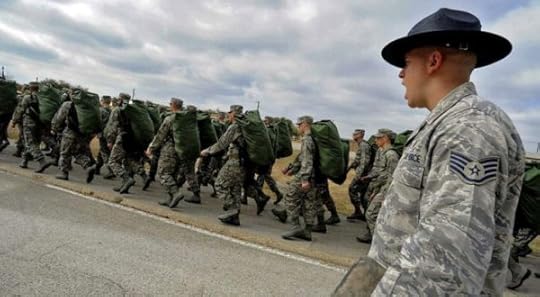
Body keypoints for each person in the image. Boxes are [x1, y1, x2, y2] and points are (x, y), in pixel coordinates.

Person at [333, 8, 524, 296]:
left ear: (433, 61)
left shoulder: (468, 130)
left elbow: (444, 262)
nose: (400, 73)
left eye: (407, 63)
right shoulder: (448, 122)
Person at [273, 115, 318, 241]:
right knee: (308, 202)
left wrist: (304, 179)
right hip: (313, 175)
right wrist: (291, 168)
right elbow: (301, 157)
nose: (298, 127)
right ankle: (307, 231)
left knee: (290, 196)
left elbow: (307, 160)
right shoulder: (312, 138)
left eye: (299, 124)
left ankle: (295, 226)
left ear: (305, 124)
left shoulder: (307, 140)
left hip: (306, 174)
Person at [200, 105, 245, 226]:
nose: (228, 115)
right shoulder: (245, 126)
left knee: (219, 184)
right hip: (243, 163)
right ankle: (235, 218)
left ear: (234, 114)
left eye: (230, 113)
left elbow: (221, 143)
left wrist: (207, 151)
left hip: (234, 162)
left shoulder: (235, 126)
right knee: (235, 189)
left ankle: (232, 210)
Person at [355, 128, 399, 244]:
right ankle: (373, 237)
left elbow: (392, 177)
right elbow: (379, 170)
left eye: (378, 138)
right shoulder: (382, 151)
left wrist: (385, 194)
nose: (375, 140)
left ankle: (378, 242)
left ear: (386, 138)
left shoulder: (391, 155)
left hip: (385, 190)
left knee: (371, 213)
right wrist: (369, 178)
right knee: (371, 212)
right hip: (378, 186)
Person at [145, 98, 186, 207]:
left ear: (173, 105)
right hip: (181, 150)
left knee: (163, 173)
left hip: (170, 149)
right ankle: (170, 198)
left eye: (170, 104)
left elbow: (160, 135)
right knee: (173, 174)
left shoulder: (170, 119)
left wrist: (151, 148)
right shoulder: (187, 119)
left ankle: (175, 193)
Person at [10, 81, 54, 173]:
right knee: (34, 142)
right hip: (40, 124)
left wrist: (14, 121)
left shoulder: (28, 97)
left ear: (30, 88)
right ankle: (25, 161)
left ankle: (42, 161)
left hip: (29, 122)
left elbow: (20, 110)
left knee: (30, 143)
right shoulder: (44, 99)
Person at [346, 129, 373, 221]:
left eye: (356, 134)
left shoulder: (364, 146)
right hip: (364, 174)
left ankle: (359, 212)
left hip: (364, 175)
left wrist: (358, 176)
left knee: (352, 189)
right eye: (353, 133)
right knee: (363, 195)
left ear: (361, 135)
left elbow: (364, 162)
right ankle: (364, 214)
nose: (353, 135)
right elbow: (357, 160)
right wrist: (349, 168)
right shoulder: (361, 145)